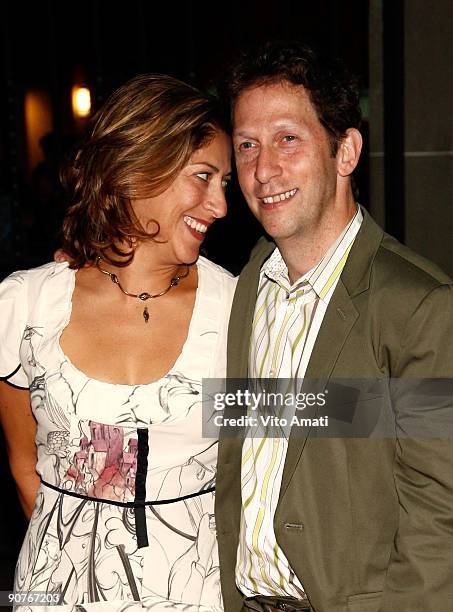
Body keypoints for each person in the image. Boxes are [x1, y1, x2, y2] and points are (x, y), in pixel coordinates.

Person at [214, 42, 453, 611]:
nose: (262, 169)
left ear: (345, 151)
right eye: (247, 145)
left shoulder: (417, 305)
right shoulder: (249, 284)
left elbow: (441, 512)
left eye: (287, 139)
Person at [0, 73, 235, 610]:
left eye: (223, 181)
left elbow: (307, 421)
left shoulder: (237, 309)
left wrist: (429, 405)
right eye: (203, 177)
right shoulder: (26, 304)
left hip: (196, 593)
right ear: (135, 169)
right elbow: (22, 463)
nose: (220, 205)